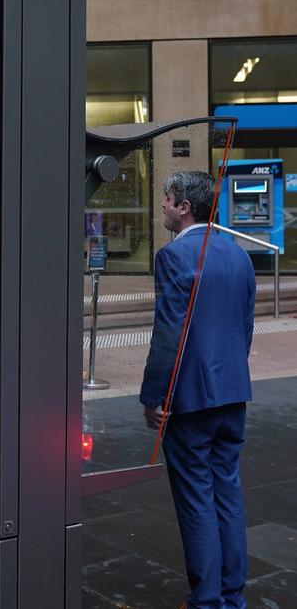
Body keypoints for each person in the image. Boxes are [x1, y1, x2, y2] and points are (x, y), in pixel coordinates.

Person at [140, 170, 255, 609]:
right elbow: (244, 330)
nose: (164, 206)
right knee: (227, 493)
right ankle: (231, 596)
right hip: (233, 394)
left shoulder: (174, 257)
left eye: (168, 200)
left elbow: (168, 335)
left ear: (185, 206)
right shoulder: (239, 256)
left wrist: (154, 397)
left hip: (189, 401)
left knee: (196, 504)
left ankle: (206, 600)